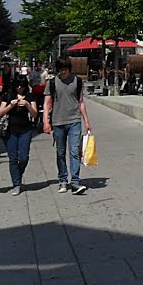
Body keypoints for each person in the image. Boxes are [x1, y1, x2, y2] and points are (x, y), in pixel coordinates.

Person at [43, 56, 92, 195]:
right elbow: (47, 103)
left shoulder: (77, 81)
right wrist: (46, 122)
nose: (63, 72)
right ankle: (63, 180)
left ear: (69, 69)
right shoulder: (52, 83)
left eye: (65, 69)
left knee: (74, 151)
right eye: (60, 70)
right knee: (60, 152)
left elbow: (81, 102)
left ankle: (75, 182)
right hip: (58, 122)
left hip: (74, 121)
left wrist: (87, 121)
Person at [0, 75, 38, 196]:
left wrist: (27, 105)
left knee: (24, 157)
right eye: (17, 86)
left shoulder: (30, 96)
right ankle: (16, 184)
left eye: (21, 86)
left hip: (25, 130)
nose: (19, 88)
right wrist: (11, 105)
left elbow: (35, 114)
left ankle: (18, 174)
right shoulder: (8, 95)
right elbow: (0, 113)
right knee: (13, 158)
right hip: (10, 131)